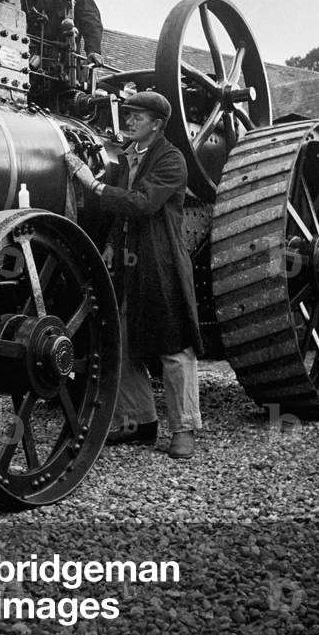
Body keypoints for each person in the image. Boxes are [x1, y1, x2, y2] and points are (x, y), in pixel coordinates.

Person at [65, 91, 203, 459]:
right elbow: (124, 211)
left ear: (157, 124)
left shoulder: (171, 159)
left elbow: (142, 204)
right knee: (122, 344)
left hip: (162, 263)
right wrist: (111, 242)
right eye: (127, 115)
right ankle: (140, 423)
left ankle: (184, 428)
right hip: (129, 262)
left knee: (174, 348)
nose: (128, 122)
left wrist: (91, 184)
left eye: (137, 117)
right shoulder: (130, 158)